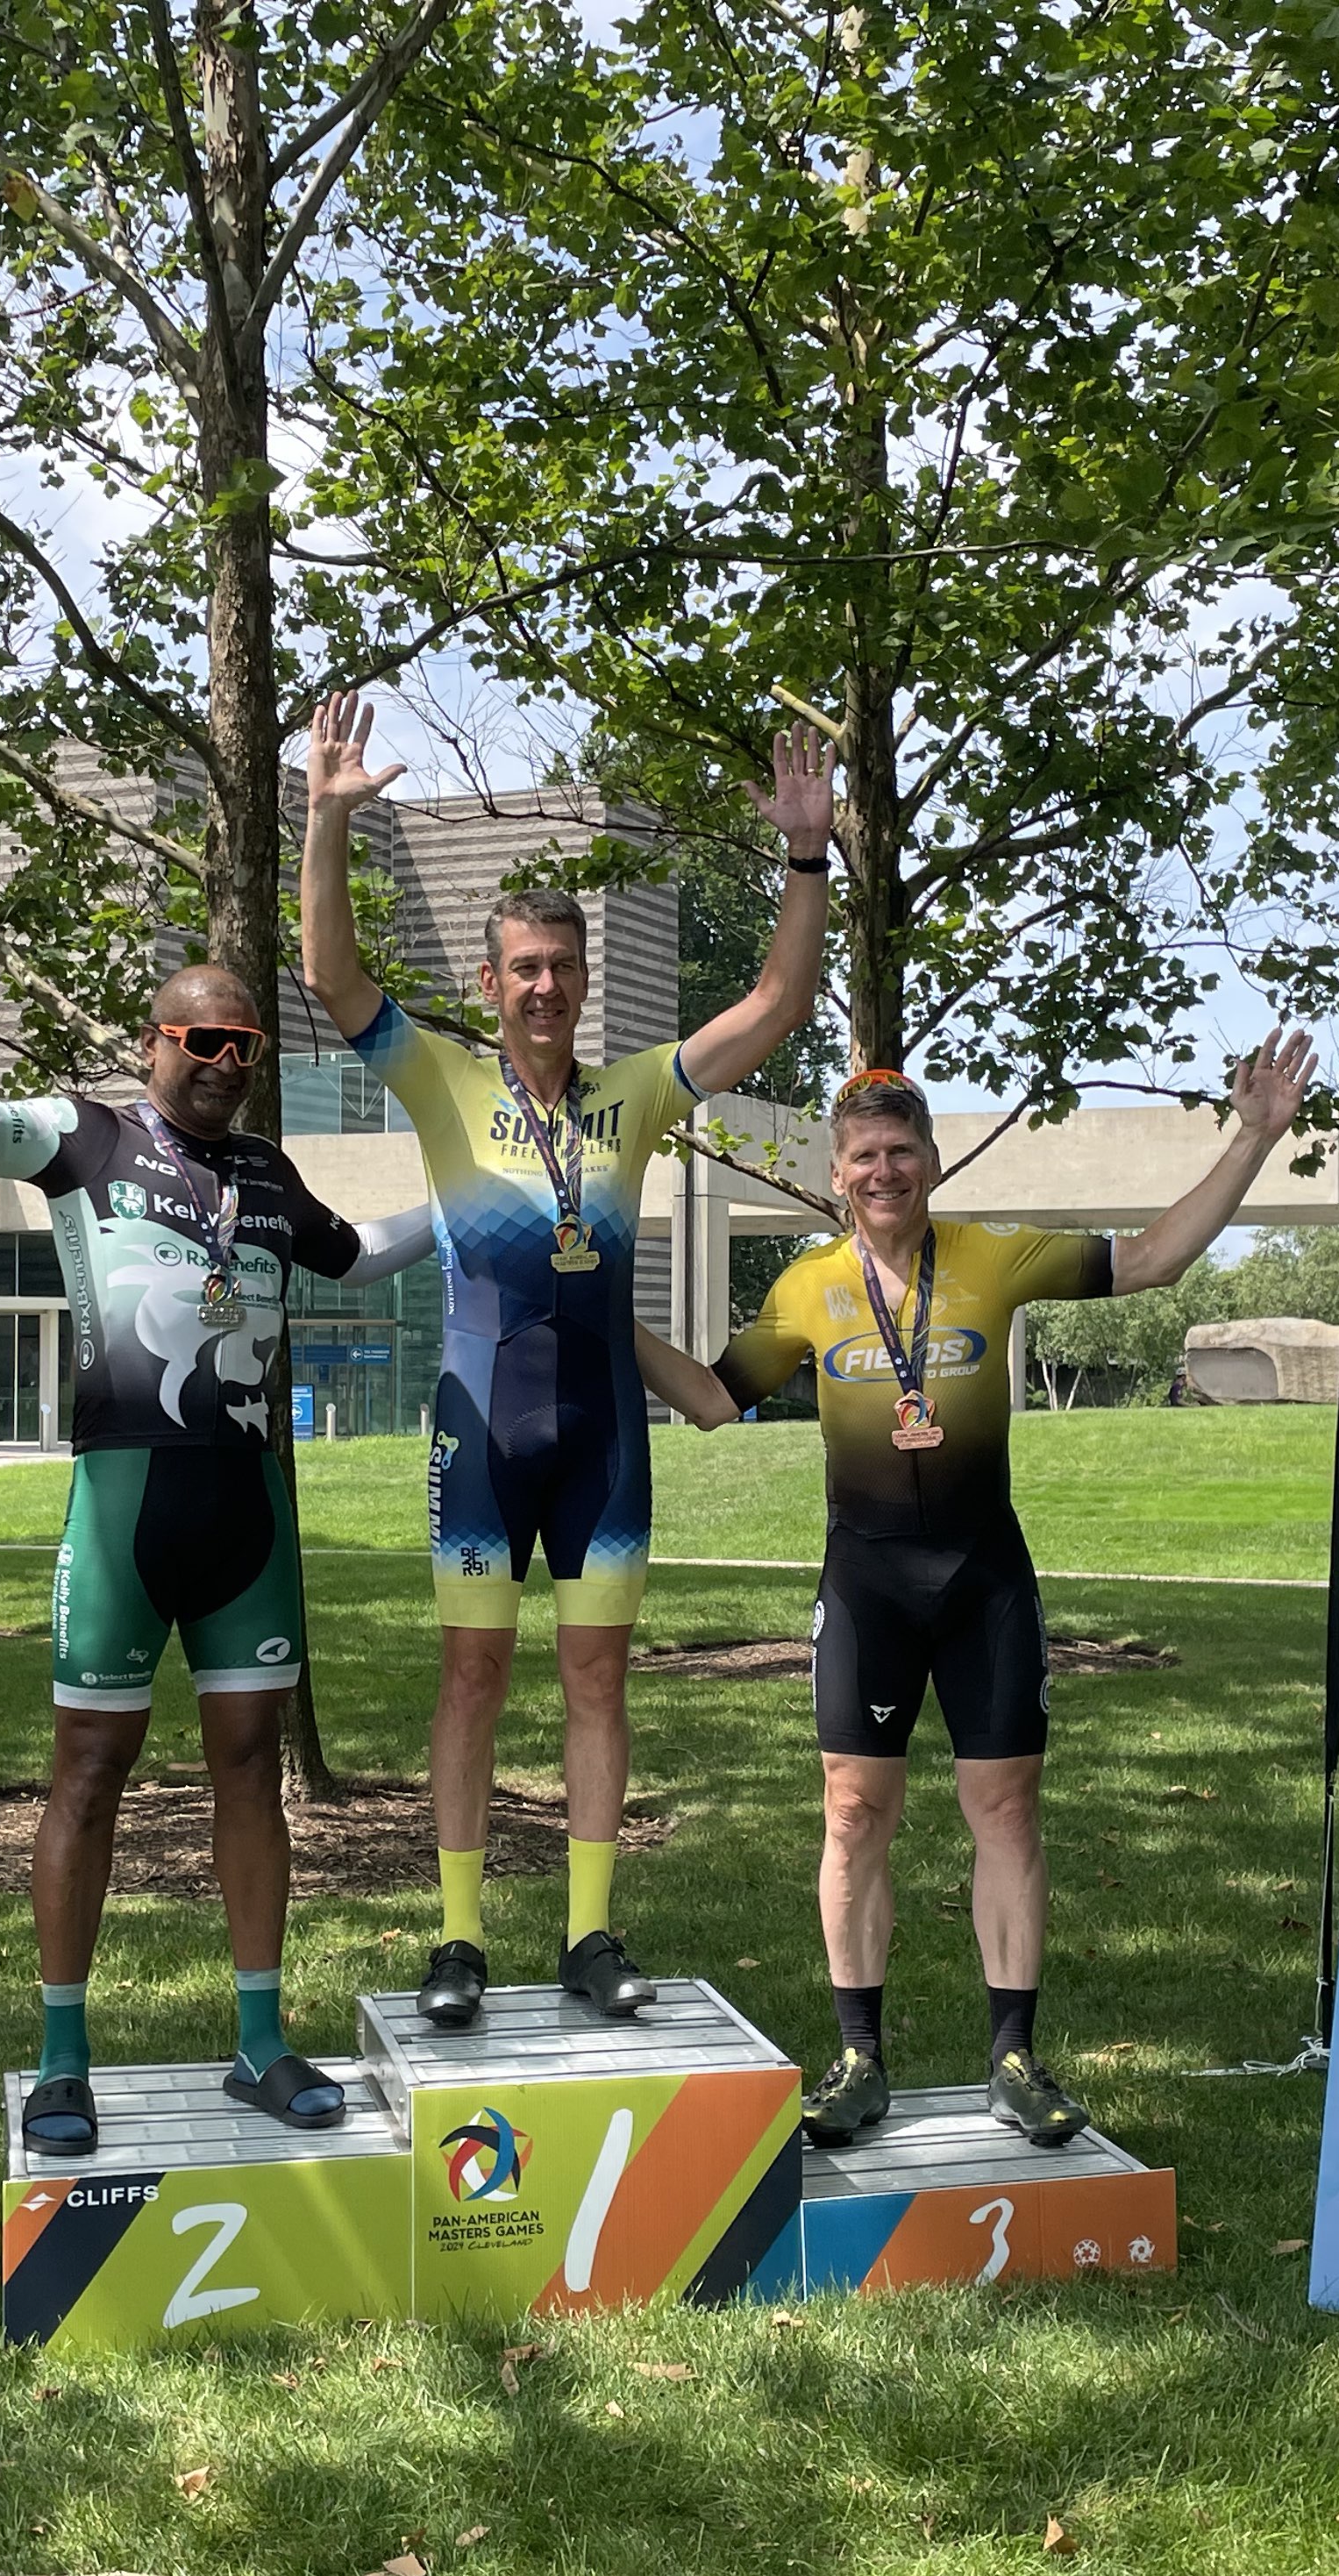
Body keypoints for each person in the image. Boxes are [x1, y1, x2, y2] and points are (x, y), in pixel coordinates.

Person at [0, 809, 435, 2157]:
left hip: (248, 1515)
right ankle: (63, 2056)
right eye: (199, 1040)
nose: (221, 1061)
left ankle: (261, 2042)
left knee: (251, 1771)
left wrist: (479, 1195)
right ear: (156, 1045)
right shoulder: (80, 1139)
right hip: (124, 1508)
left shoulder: (268, 1173)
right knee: (87, 1775)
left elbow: (361, 1254)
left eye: (243, 1044)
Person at [636, 1040, 1316, 2145]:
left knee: (1004, 1808)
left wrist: (1253, 1135)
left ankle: (1014, 2057)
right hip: (866, 1584)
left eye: (901, 1150)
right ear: (838, 1172)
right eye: (863, 1155)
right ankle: (859, 2058)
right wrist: (599, 1318)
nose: (883, 1171)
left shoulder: (995, 1262)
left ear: (934, 1162)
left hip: (982, 1576)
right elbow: (714, 1399)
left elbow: (1149, 1262)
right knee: (854, 1814)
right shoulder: (807, 1287)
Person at [296, 691, 834, 2027]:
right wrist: (324, 824)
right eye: (523, 968)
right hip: (480, 1430)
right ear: (490, 985)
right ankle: (461, 1939)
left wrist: (805, 857)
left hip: (604, 1441)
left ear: (585, 980)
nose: (545, 986)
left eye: (563, 966)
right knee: (471, 1677)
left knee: (598, 1680)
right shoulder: (442, 1086)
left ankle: (593, 1933)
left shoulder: (632, 1095)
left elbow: (778, 999)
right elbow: (331, 979)